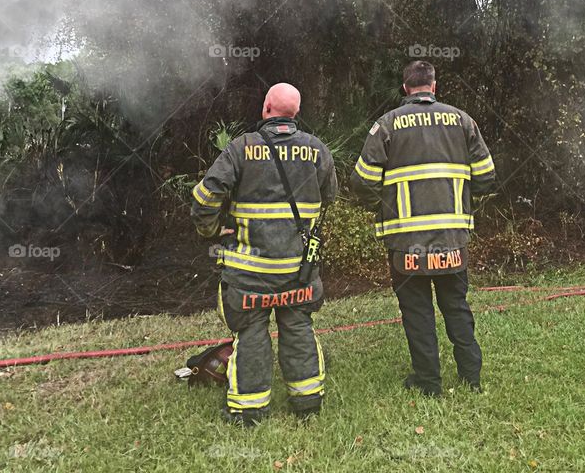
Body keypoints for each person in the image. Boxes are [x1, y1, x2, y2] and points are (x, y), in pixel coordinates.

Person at [191, 83, 337, 425]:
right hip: (299, 269)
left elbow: (205, 198)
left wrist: (212, 230)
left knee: (252, 333)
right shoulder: (317, 150)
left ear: (265, 108)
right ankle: (307, 402)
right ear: (295, 113)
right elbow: (329, 196)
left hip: (249, 271)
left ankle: (248, 410)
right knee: (298, 326)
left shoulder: (240, 148)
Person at [350, 61, 496, 396]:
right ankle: (471, 376)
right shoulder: (462, 121)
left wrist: (385, 205)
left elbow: (362, 181)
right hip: (452, 237)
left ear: (405, 88)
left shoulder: (387, 124)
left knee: (417, 311)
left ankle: (429, 381)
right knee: (456, 304)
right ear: (434, 86)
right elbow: (486, 176)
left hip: (406, 241)